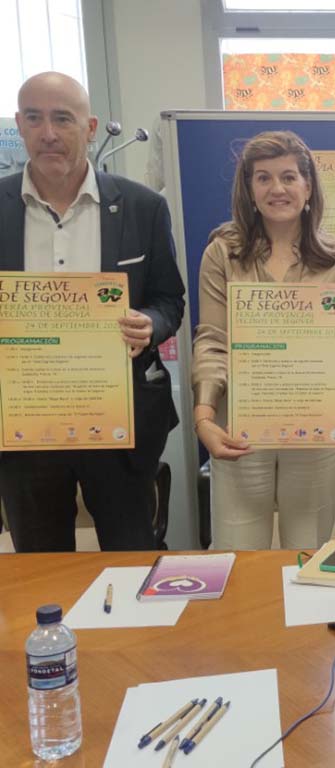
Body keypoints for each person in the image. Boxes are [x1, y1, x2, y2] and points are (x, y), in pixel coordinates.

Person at [0, 72, 185, 551]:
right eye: (35, 118)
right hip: (25, 427)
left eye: (63, 118)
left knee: (131, 560)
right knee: (41, 568)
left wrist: (150, 324)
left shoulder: (143, 206)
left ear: (90, 126)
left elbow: (170, 299)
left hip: (120, 422)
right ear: (19, 123)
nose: (48, 133)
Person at [192, 130, 335, 550]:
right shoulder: (222, 253)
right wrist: (204, 417)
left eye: (288, 177)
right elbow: (212, 340)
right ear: (249, 189)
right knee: (238, 556)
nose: (276, 188)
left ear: (308, 186)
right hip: (240, 428)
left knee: (307, 555)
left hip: (313, 426)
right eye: (263, 178)